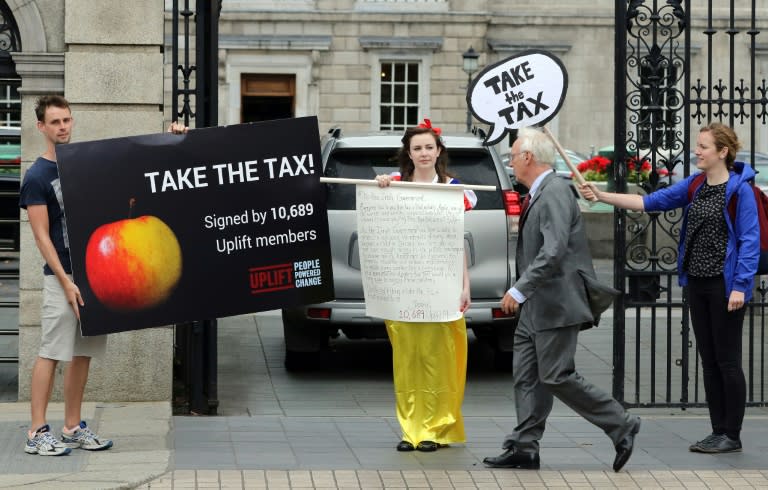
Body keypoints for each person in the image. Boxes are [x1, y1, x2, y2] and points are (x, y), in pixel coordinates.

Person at [20, 95, 188, 457]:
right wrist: (65, 281)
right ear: (41, 127)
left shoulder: (83, 165)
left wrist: (171, 137)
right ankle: (36, 431)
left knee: (82, 353)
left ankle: (72, 426)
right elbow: (40, 235)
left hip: (94, 276)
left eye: (66, 120)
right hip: (62, 277)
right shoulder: (36, 177)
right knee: (51, 352)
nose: (62, 127)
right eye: (55, 122)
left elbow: (132, 160)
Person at [579, 122, 759, 454]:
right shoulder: (695, 185)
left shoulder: (740, 190)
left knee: (728, 361)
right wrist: (602, 195)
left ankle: (731, 434)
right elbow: (652, 202)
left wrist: (740, 286)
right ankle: (717, 430)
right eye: (698, 145)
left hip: (725, 286)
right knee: (708, 360)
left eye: (704, 146)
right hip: (698, 283)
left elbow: (750, 242)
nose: (697, 151)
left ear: (723, 152)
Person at [483, 126, 640, 472]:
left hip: (556, 302)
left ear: (528, 157)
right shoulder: (543, 190)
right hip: (537, 306)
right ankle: (524, 447)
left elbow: (553, 252)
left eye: (512, 155)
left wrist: (519, 289)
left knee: (555, 375)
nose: (510, 161)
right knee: (526, 376)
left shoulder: (553, 191)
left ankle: (620, 422)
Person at [374, 119, 476, 452]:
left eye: (429, 147)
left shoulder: (454, 189)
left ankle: (435, 428)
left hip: (442, 283)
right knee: (407, 357)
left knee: (439, 358)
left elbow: (457, 241)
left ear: (439, 151)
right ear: (408, 152)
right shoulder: (394, 186)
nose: (423, 153)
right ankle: (410, 429)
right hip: (404, 283)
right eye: (417, 148)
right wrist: (381, 186)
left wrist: (465, 285)